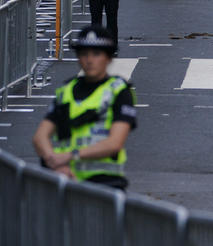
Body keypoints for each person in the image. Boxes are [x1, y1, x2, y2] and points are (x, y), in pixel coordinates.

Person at [32, 25, 137, 188]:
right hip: (67, 180)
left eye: (96, 54)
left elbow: (115, 143)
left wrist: (70, 156)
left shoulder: (119, 91)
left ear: (108, 58)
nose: (89, 60)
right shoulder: (65, 91)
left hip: (105, 183)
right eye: (84, 54)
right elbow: (40, 137)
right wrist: (55, 163)